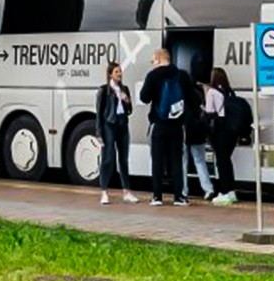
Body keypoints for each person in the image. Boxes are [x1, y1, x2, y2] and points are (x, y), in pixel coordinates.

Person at [139, 47, 196, 206]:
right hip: (177, 125)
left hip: (158, 124)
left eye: (153, 61)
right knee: (177, 161)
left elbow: (144, 98)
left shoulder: (153, 75)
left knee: (157, 161)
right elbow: (191, 98)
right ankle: (179, 197)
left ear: (158, 59)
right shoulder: (182, 75)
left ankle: (157, 196)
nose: (152, 64)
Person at [94, 61, 138, 206]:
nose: (119, 74)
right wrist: (99, 132)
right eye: (116, 72)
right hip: (109, 126)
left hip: (122, 125)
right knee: (108, 158)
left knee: (124, 159)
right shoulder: (104, 90)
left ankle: (126, 191)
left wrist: (126, 100)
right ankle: (104, 192)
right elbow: (99, 113)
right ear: (110, 74)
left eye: (120, 71)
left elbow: (130, 110)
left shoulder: (124, 89)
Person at [207, 67, 242, 205]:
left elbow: (210, 112)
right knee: (227, 160)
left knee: (221, 162)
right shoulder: (230, 92)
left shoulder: (212, 92)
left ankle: (224, 192)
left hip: (220, 129)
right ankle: (231, 191)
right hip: (232, 130)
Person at [184, 71, 220, 201]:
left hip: (183, 131)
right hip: (197, 131)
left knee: (183, 162)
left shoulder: (180, 95)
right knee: (200, 161)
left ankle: (183, 191)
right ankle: (208, 189)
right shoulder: (197, 94)